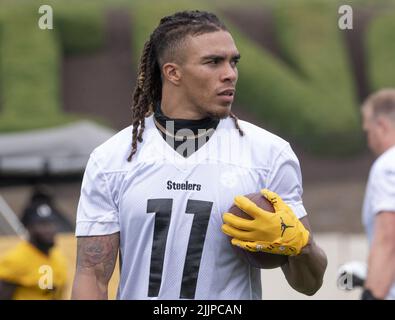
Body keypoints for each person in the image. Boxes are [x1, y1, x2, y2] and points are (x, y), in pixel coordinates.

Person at [71, 10, 327, 300]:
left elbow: (310, 284)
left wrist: (300, 245)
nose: (230, 73)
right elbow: (92, 275)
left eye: (234, 62)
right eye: (213, 62)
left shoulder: (269, 153)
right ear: (173, 72)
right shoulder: (112, 159)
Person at [0, 186, 68, 300]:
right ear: (29, 227)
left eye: (51, 223)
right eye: (42, 224)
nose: (49, 230)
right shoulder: (15, 260)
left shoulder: (58, 257)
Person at [360, 89, 395, 300]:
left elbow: (388, 237)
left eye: (368, 131)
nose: (368, 140)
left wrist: (371, 296)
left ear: (381, 126)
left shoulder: (388, 164)